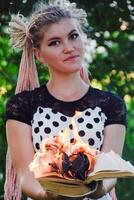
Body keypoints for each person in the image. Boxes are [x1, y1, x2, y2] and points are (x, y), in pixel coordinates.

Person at [4, 0, 126, 199]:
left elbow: (111, 170)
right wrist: (49, 196)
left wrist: (97, 189)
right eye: (55, 42)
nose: (69, 48)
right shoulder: (22, 105)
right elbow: (25, 176)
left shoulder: (111, 104)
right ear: (39, 55)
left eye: (73, 36)